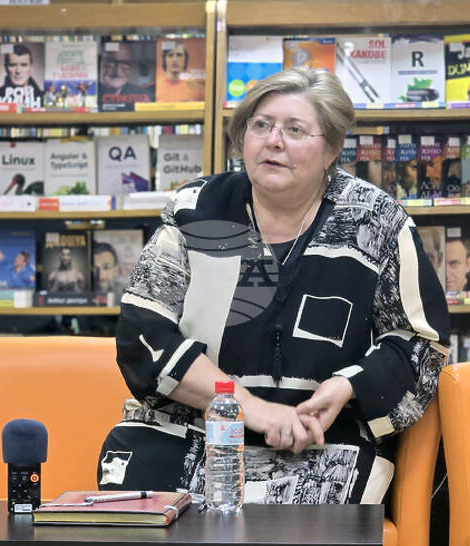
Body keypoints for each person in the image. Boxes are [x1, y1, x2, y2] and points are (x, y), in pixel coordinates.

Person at [97, 67, 450, 504]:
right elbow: (143, 335)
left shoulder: (375, 221)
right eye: (261, 125)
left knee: (297, 520)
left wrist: (346, 387)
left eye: (295, 129)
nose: (273, 141)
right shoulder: (196, 211)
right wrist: (252, 409)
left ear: (331, 149)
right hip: (192, 438)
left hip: (322, 445)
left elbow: (421, 343)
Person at [98, 42, 152, 108]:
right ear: (100, 62)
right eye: (111, 61)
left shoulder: (145, 96)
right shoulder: (92, 92)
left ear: (131, 67)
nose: (118, 71)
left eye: (125, 63)